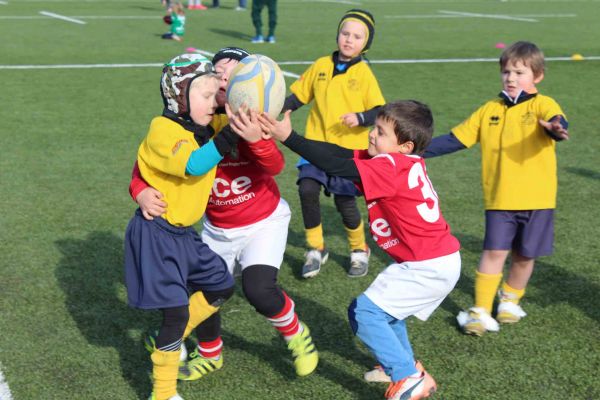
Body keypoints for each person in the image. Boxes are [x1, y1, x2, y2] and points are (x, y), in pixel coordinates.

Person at [130, 47, 319, 380]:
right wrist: (139, 191)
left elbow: (275, 166)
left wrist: (254, 139)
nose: (224, 80)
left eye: (234, 74)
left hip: (263, 221)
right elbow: (148, 166)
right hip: (217, 227)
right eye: (218, 74)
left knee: (258, 289)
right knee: (204, 289)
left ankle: (296, 335)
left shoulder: (249, 123)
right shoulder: (195, 120)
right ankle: (210, 353)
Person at [259, 100, 461, 400]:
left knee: (364, 312)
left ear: (404, 146)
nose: (371, 135)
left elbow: (336, 165)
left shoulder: (389, 165)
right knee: (388, 314)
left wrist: (289, 138)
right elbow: (339, 153)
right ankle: (400, 366)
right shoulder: (402, 161)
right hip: (437, 260)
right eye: (374, 128)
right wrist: (291, 134)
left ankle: (408, 376)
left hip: (427, 265)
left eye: (380, 132)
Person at [423, 41, 569, 336]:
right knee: (494, 252)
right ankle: (479, 308)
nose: (511, 78)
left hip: (538, 199)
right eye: (506, 72)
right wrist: (413, 149)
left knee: (525, 256)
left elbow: (557, 121)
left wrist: (555, 127)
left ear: (537, 75)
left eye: (519, 71)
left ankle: (510, 299)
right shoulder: (489, 110)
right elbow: (455, 139)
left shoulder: (542, 104)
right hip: (500, 199)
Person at [124, 53, 240, 400]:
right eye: (204, 96)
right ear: (178, 97)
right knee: (175, 313)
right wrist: (232, 132)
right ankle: (162, 393)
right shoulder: (164, 129)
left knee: (221, 284)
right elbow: (193, 164)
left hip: (183, 235)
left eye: (212, 95)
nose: (211, 103)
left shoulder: (201, 125)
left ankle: (171, 339)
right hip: (156, 233)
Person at [282, 9, 385, 278]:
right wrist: (276, 109)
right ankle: (316, 248)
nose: (349, 40)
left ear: (366, 43)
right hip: (316, 145)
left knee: (345, 202)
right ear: (338, 34)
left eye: (357, 36)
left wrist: (360, 117)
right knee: (306, 189)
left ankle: (359, 249)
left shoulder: (363, 73)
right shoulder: (320, 65)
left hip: (349, 151)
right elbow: (298, 97)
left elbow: (379, 110)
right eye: (345, 33)